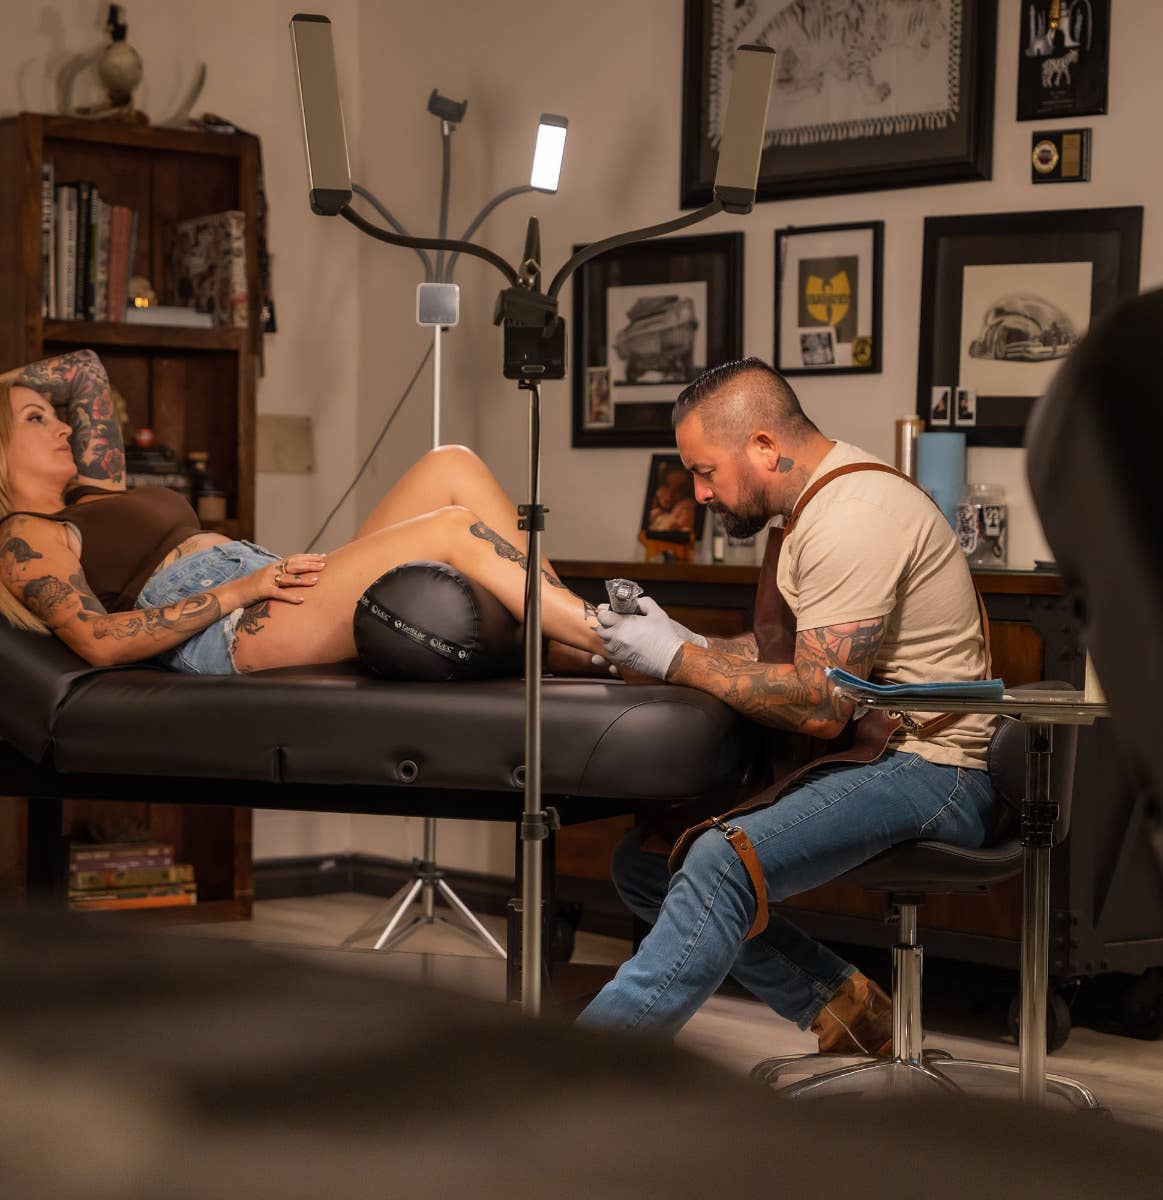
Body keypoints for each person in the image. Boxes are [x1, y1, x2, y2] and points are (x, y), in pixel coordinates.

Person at [578, 356, 1005, 1053]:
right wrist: (682, 638)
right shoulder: (804, 513)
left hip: (937, 770)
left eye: (706, 470)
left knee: (720, 860)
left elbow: (818, 704)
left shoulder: (852, 517)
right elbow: (787, 652)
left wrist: (678, 659)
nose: (699, 492)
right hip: (879, 753)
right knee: (647, 861)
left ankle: (574, 1074)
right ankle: (843, 1006)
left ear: (765, 448)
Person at [0, 351, 605, 675]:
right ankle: (617, 639)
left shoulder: (95, 489)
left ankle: (569, 641)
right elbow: (100, 642)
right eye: (35, 419)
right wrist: (240, 592)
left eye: (54, 414)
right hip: (225, 627)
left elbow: (82, 369)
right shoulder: (26, 533)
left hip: (265, 578)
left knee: (452, 467)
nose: (60, 424)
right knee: (448, 528)